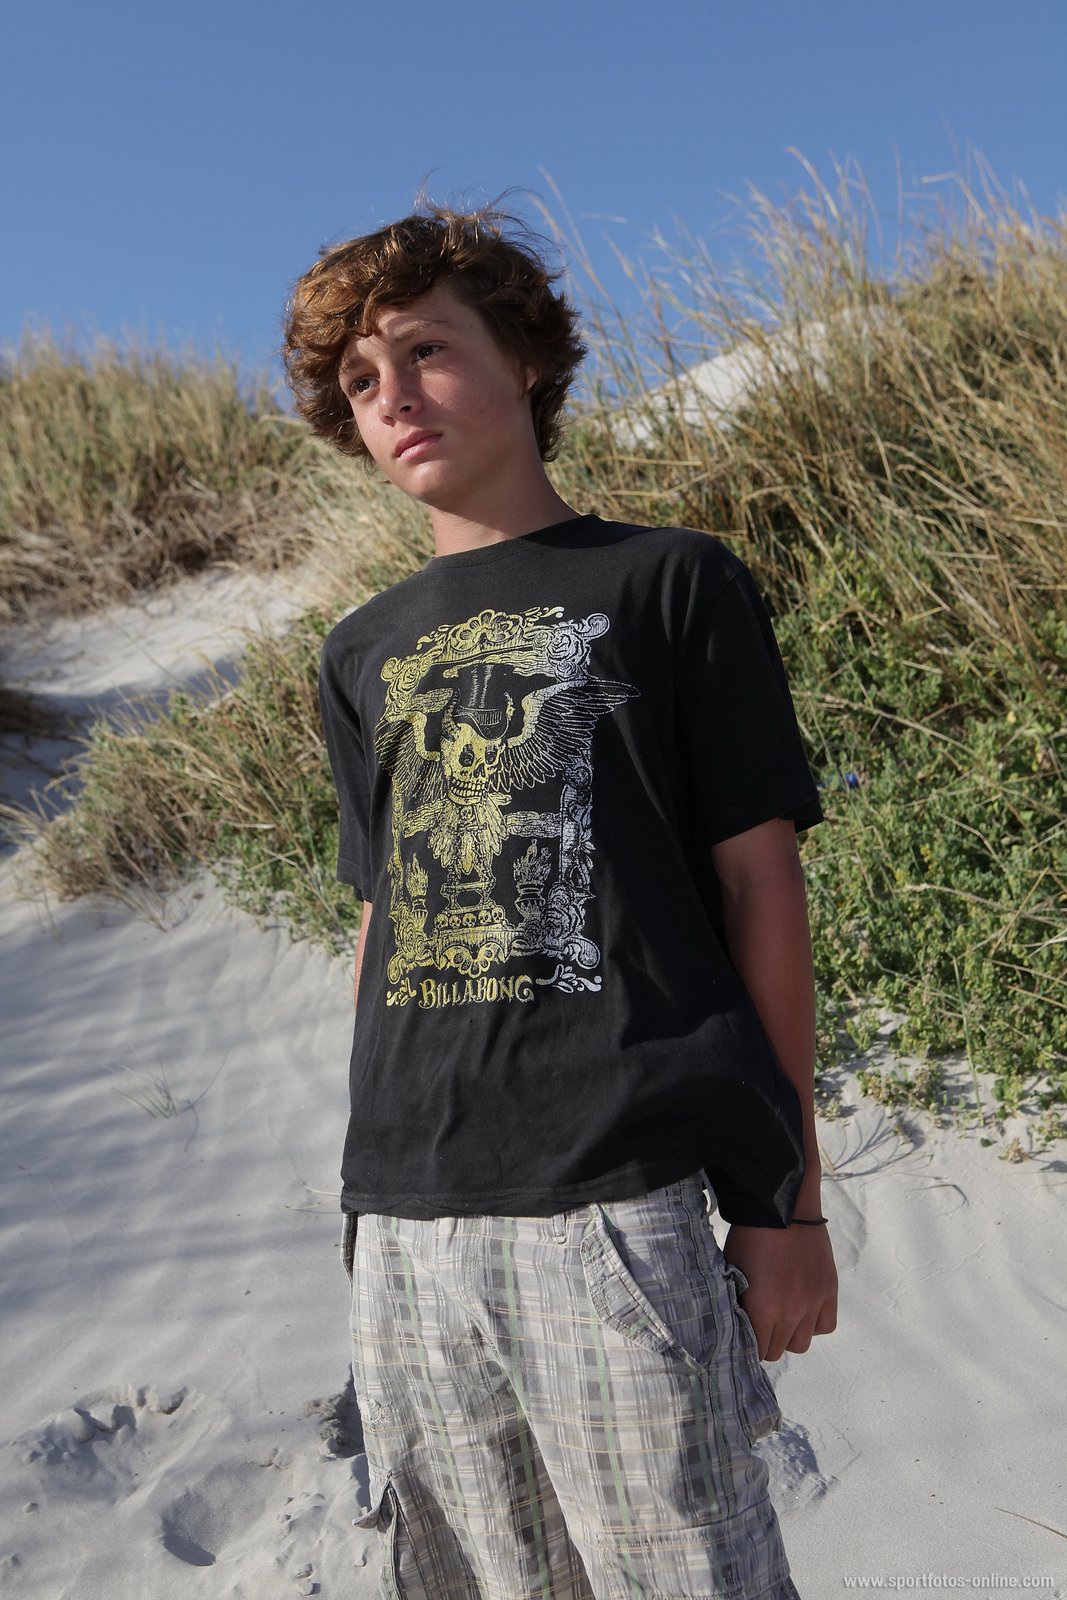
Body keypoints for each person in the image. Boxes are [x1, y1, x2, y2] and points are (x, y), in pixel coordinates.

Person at [283, 203, 838, 1600]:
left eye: (427, 349)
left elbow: (761, 883)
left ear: (525, 357)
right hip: (408, 1229)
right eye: (360, 377)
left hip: (615, 1207)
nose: (393, 395)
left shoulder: (669, 581)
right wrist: (366, 1207)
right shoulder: (358, 652)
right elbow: (382, 924)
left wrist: (787, 1204)